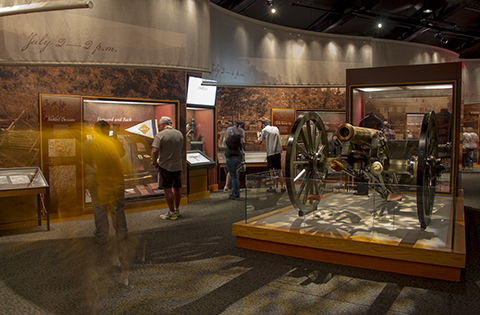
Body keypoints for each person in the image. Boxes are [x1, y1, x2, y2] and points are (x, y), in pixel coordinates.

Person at [84, 120, 128, 244]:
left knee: (99, 207)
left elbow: (86, 159)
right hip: (115, 178)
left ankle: (101, 235)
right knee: (117, 207)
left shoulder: (88, 144)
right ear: (108, 130)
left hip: (96, 179)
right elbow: (121, 153)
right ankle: (122, 232)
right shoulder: (113, 143)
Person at [151, 116, 184, 220]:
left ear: (162, 125)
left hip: (165, 166)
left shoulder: (160, 135)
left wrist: (154, 162)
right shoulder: (179, 134)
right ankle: (177, 209)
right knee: (177, 188)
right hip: (178, 165)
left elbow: (154, 151)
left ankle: (171, 212)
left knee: (167, 188)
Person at [258, 119, 285, 192]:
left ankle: (273, 187)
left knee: (271, 170)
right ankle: (282, 186)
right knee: (279, 170)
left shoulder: (264, 130)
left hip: (270, 152)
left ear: (263, 125)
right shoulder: (276, 128)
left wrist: (259, 137)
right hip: (277, 151)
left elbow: (259, 142)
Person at [223, 121, 245, 192]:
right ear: (241, 125)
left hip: (229, 153)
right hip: (238, 153)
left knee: (231, 171)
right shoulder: (241, 130)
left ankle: (226, 186)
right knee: (237, 171)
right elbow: (242, 141)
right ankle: (236, 189)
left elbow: (224, 141)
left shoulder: (229, 129)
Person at [225, 130, 242, 200]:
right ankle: (236, 193)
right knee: (235, 177)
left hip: (231, 159)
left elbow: (226, 142)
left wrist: (227, 137)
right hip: (236, 158)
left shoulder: (231, 143)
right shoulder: (237, 143)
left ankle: (235, 194)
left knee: (233, 177)